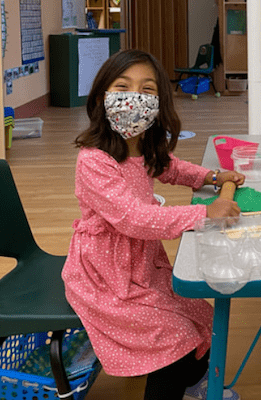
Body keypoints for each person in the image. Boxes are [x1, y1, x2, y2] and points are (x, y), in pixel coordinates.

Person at [61, 49, 245, 400]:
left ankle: (192, 380)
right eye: (123, 87)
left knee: (196, 313)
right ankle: (177, 379)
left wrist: (211, 175)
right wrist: (205, 213)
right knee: (172, 338)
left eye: (147, 91)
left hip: (141, 262)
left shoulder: (143, 144)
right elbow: (134, 218)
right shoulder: (94, 160)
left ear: (158, 103)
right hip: (105, 274)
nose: (134, 98)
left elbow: (170, 167)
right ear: (103, 97)